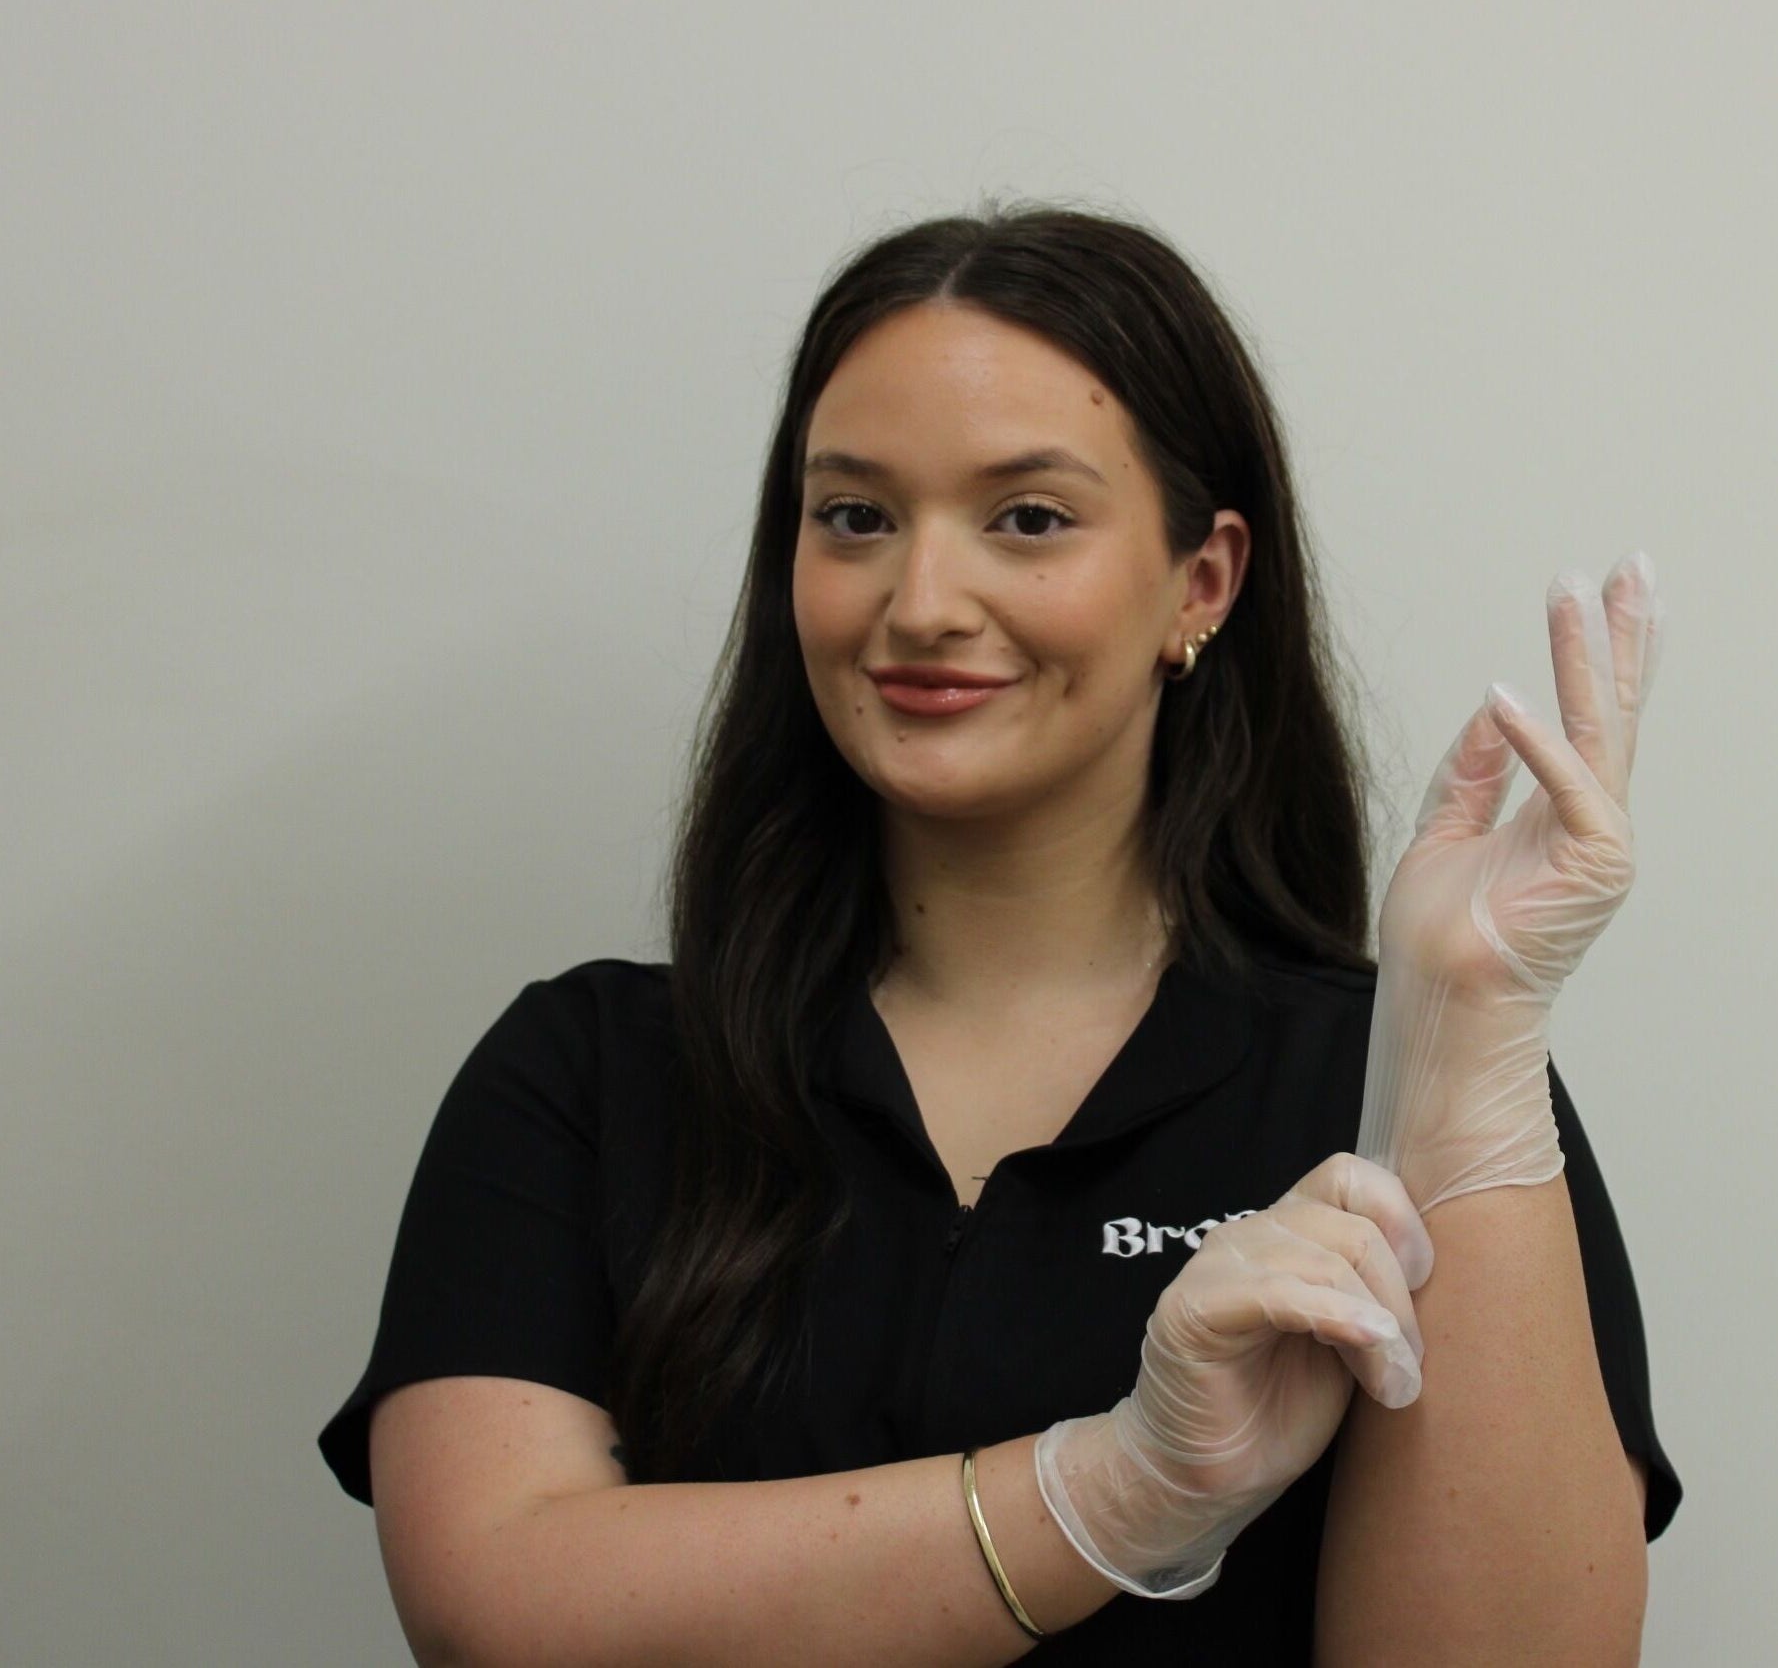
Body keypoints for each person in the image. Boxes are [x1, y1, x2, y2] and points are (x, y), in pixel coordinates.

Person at [317, 197, 1681, 1665]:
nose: (920, 600)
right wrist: (1115, 1489)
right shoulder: (588, 1077)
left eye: (1027, 518)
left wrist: (1469, 1037)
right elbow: (497, 1608)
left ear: (1200, 583)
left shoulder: (1385, 1091)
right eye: (855, 517)